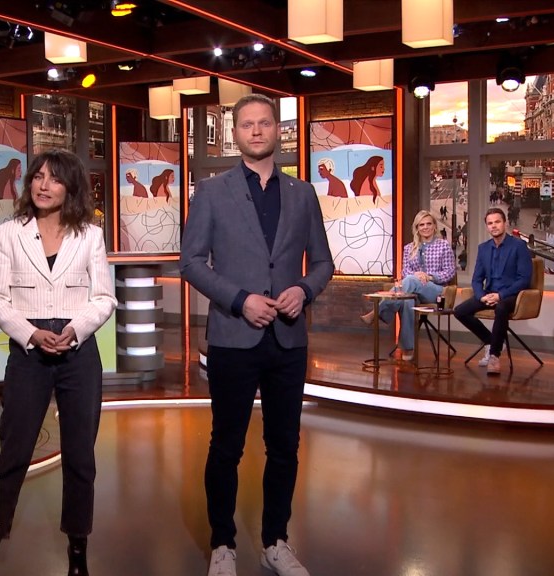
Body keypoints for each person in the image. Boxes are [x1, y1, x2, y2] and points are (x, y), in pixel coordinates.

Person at [180, 94, 333, 576]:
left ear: (276, 130)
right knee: (226, 446)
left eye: (264, 123)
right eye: (247, 124)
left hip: (288, 340)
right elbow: (190, 262)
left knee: (285, 446)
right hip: (233, 336)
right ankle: (222, 544)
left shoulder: (303, 194)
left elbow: (324, 262)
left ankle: (275, 541)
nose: (256, 131)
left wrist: (304, 290)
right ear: (236, 133)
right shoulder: (211, 192)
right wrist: (240, 299)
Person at [0, 149, 116, 576]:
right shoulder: (10, 233)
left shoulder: (90, 235)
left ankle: (78, 551)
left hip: (78, 351)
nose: (43, 185)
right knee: (13, 452)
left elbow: (103, 298)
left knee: (80, 456)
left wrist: (74, 329)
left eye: (54, 179)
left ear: (70, 187)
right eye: (37, 177)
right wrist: (31, 333)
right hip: (28, 352)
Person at [360, 210, 456, 361]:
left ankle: (377, 311)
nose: (425, 227)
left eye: (429, 224)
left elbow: (450, 272)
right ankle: (408, 348)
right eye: (421, 225)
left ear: (434, 226)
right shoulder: (409, 248)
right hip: (413, 290)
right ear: (417, 228)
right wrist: (417, 276)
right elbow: (405, 271)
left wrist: (429, 276)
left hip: (436, 291)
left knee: (411, 280)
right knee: (407, 301)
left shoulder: (443, 246)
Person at [454, 207, 533, 375]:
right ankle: (492, 341)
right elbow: (476, 279)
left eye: (497, 222)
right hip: (489, 294)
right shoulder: (483, 248)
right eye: (490, 223)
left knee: (501, 307)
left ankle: (494, 355)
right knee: (459, 311)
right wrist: (482, 296)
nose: (494, 226)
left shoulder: (519, 246)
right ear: (487, 227)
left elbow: (524, 279)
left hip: (511, 295)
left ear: (505, 223)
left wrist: (500, 296)